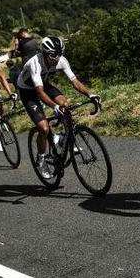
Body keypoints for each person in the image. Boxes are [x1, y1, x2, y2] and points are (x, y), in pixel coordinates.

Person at [16, 36, 99, 179]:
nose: (57, 58)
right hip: (28, 91)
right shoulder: (35, 63)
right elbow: (39, 92)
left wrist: (90, 95)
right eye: (53, 55)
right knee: (44, 128)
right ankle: (41, 160)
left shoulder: (61, 60)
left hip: (44, 84)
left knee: (65, 105)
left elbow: (75, 81)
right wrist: (54, 106)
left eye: (60, 54)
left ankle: (65, 139)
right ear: (44, 53)